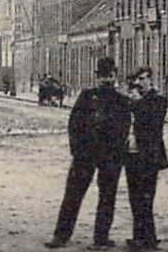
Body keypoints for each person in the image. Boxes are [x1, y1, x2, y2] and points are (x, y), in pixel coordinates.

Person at [46, 57, 131, 250]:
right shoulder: (86, 97)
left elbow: (124, 129)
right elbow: (74, 125)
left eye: (109, 76)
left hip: (109, 157)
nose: (106, 80)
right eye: (103, 77)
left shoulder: (121, 101)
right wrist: (77, 151)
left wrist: (116, 153)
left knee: (107, 198)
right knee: (73, 196)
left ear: (115, 76)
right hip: (85, 156)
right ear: (97, 77)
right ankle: (61, 236)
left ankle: (101, 238)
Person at [124, 67, 168, 251]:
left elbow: (154, 123)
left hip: (149, 157)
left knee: (146, 198)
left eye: (143, 79)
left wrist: (136, 103)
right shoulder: (133, 100)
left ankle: (148, 239)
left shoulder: (158, 100)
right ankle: (140, 237)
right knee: (135, 198)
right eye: (138, 80)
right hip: (132, 156)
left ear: (151, 80)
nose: (140, 83)